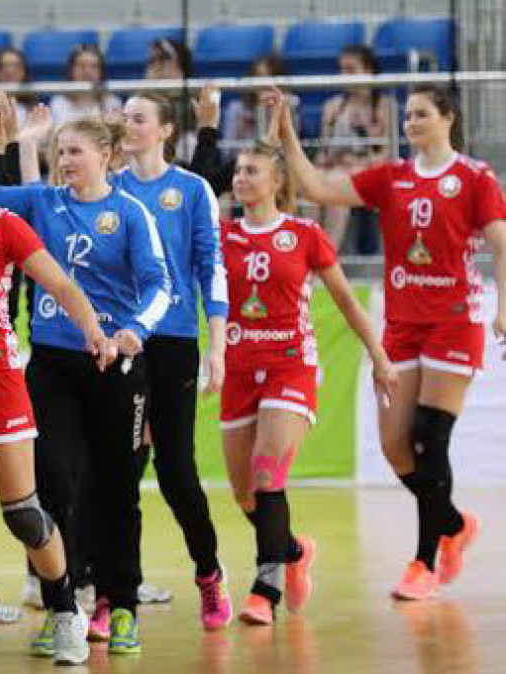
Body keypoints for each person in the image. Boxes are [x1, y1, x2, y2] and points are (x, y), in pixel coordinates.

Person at [271, 84, 506, 600]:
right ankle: (454, 523)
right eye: (408, 115)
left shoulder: (475, 177)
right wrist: (288, 132)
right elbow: (316, 187)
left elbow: (501, 243)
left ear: (448, 118)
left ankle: (424, 562)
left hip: (454, 320)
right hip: (401, 324)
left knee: (429, 437)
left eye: (422, 114)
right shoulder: (391, 177)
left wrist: (503, 307)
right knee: (396, 446)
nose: (411, 122)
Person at [0, 117, 117, 665]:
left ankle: (65, 611)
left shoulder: (0, 224)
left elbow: (59, 282)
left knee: (24, 513)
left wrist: (94, 331)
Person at [0, 116, 172, 655]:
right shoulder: (44, 202)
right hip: (52, 366)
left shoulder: (131, 213)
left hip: (114, 366)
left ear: (106, 156)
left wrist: (135, 330)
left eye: (75, 151)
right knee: (52, 484)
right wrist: (18, 142)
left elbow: (160, 285)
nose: (66, 161)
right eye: (61, 151)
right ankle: (63, 607)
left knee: (117, 488)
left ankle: (122, 604)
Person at [222, 140, 396, 624]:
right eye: (238, 171)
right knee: (245, 495)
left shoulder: (304, 234)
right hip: (239, 369)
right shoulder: (221, 237)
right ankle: (295, 551)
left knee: (267, 472)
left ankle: (265, 589)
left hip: (290, 365)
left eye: (252, 171)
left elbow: (345, 300)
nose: (241, 178)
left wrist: (379, 355)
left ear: (277, 181)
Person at [112, 92, 232, 630]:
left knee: (176, 472)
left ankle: (209, 572)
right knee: (119, 471)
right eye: (123, 117)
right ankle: (118, 596)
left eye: (138, 118)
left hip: (175, 341)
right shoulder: (109, 188)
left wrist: (217, 347)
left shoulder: (191, 189)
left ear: (165, 131)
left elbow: (211, 268)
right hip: (123, 344)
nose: (128, 126)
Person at [316, 45, 395, 253]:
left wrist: (361, 161)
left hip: (366, 170)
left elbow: (387, 154)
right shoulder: (332, 106)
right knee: (309, 187)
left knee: (337, 190)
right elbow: (323, 151)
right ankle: (309, 253)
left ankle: (327, 256)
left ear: (368, 70)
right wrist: (327, 160)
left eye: (351, 70)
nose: (345, 76)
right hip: (336, 168)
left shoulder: (385, 106)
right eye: (342, 70)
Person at [48, 44, 122, 126]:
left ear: (101, 71)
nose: (87, 71)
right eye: (82, 66)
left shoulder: (112, 103)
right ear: (71, 70)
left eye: (94, 66)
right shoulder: (58, 102)